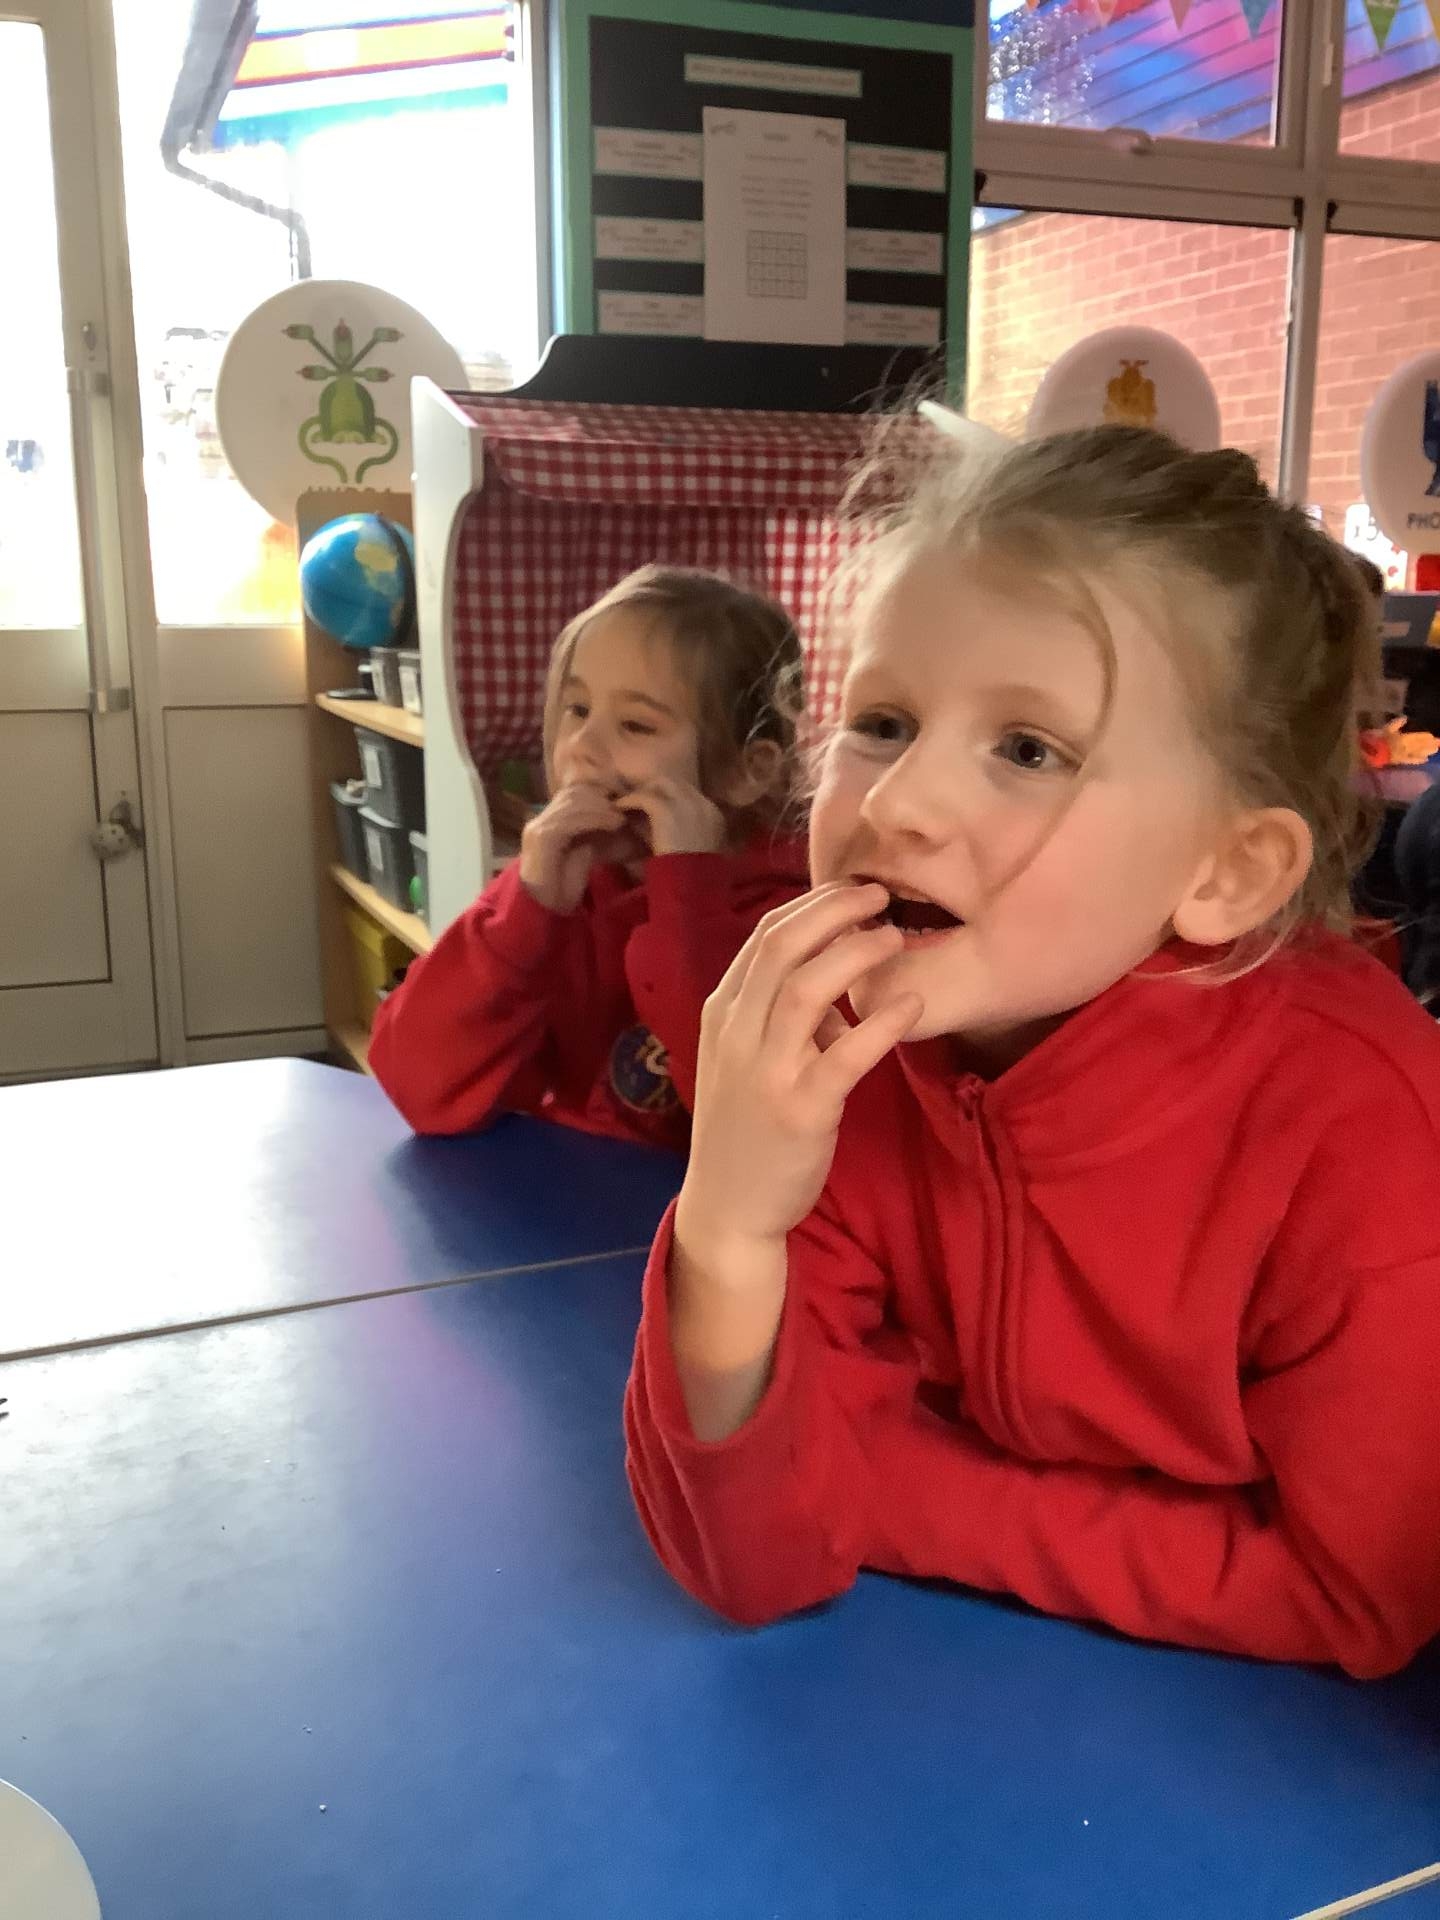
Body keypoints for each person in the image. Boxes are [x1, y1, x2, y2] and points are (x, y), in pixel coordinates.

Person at [625, 425, 1440, 1679]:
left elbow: (1357, 1594)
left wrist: (895, 1492)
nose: (896, 804)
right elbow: (748, 1550)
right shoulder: (856, 1050)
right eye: (883, 722)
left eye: (1027, 750)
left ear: (1225, 871)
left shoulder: (1368, 1135)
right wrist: (726, 1224)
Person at [370, 565, 808, 1151]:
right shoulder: (568, 887)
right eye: (577, 710)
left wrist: (686, 892)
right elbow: (416, 1085)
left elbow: (754, 1130)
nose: (583, 746)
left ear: (747, 772)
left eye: (635, 725)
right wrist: (523, 913)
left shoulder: (793, 922)